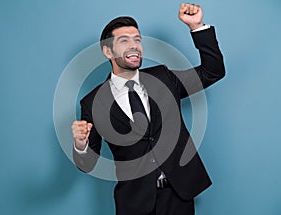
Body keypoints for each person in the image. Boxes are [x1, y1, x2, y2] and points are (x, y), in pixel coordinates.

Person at [71, 3, 225, 215]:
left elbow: (212, 71)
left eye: (137, 40)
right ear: (108, 51)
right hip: (134, 203)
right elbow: (87, 164)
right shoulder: (92, 102)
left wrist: (196, 27)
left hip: (178, 196)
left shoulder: (164, 77)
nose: (134, 45)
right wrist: (81, 145)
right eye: (124, 41)